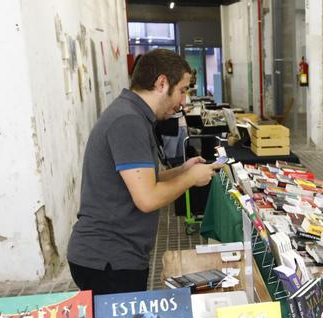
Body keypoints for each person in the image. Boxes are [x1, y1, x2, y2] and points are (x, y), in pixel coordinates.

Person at [67, 49, 223, 295]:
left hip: (116, 255)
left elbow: (143, 181)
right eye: (182, 90)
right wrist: (191, 179)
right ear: (162, 83)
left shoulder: (133, 115)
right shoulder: (127, 122)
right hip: (109, 260)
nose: (183, 102)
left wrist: (182, 171)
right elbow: (147, 199)